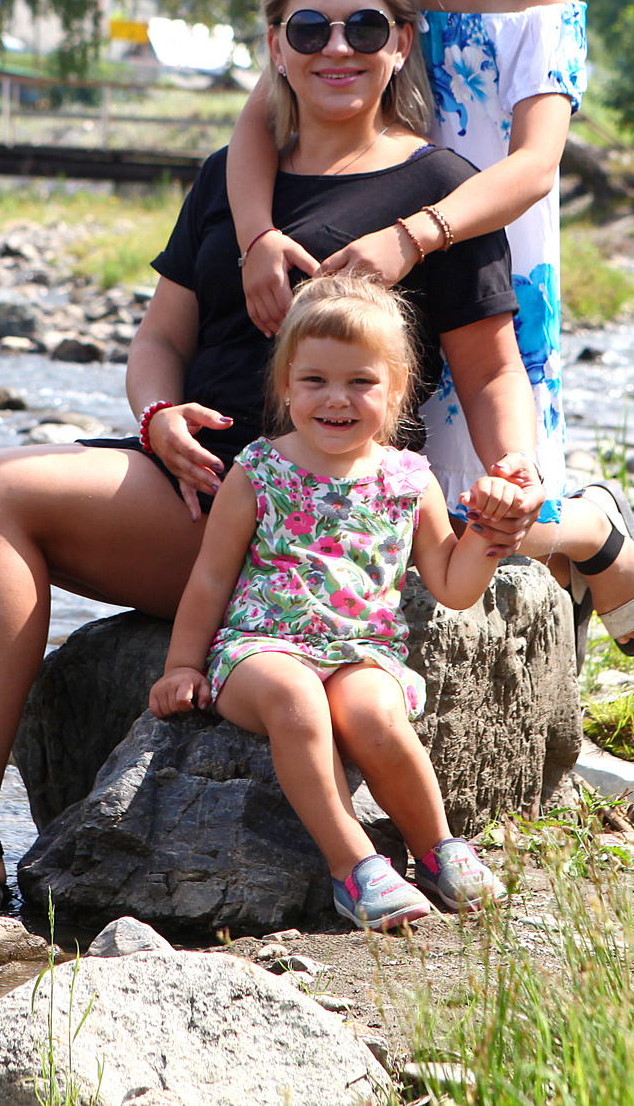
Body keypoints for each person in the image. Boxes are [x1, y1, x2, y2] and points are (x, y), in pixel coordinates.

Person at [0, 0, 545, 913]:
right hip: (190, 476)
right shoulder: (237, 181)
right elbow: (157, 344)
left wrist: (516, 476)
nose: (337, 50)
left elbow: (492, 373)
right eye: (308, 29)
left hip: (308, 517)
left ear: (400, 40)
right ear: (274, 45)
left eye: (365, 26)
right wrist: (153, 419)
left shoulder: (439, 192)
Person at [223, 0, 634, 665]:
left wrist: (414, 234)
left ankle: (588, 531)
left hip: (482, 244)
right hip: (380, 226)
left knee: (478, 506)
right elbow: (257, 121)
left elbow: (537, 164)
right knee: (388, 492)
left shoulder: (545, 2)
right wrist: (255, 236)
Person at [148, 273, 509, 931]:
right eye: (314, 380)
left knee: (374, 710)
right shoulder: (260, 469)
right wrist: (181, 666)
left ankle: (437, 848)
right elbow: (209, 577)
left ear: (395, 388)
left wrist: (486, 533)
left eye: (361, 382)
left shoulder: (409, 478)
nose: (336, 399)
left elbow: (454, 585)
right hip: (260, 649)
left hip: (361, 650)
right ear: (285, 385)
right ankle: (355, 865)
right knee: (297, 699)